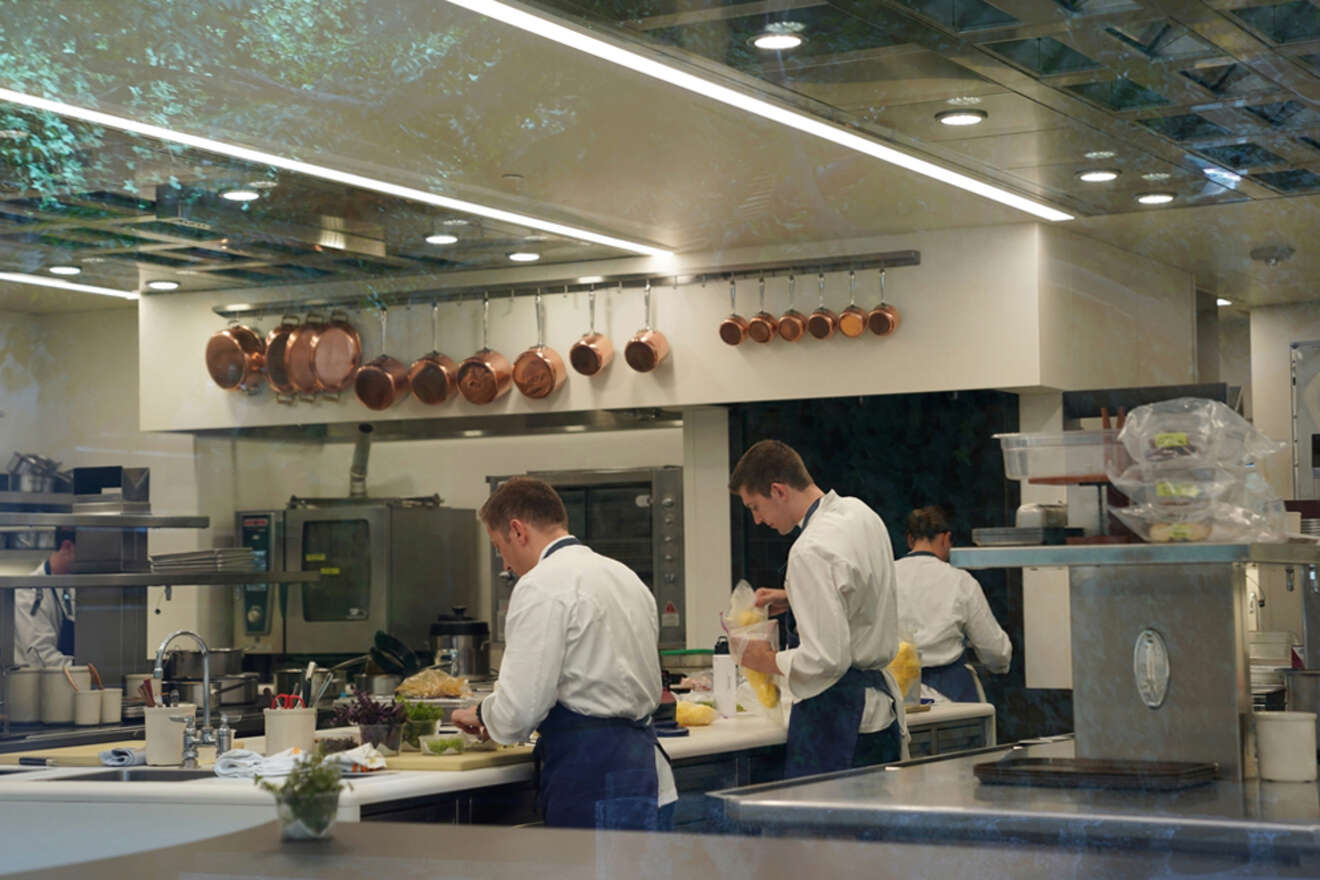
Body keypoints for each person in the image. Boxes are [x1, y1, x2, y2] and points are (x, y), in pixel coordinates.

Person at [451, 476, 677, 830]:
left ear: (517, 530)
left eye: (499, 547)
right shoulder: (625, 576)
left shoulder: (540, 586)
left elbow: (519, 709)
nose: (505, 565)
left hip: (591, 773)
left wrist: (485, 714)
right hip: (645, 768)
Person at [729, 439, 907, 779]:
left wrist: (762, 660)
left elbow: (826, 659)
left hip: (840, 718)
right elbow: (858, 591)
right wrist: (795, 596)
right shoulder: (859, 513)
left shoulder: (809, 549)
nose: (756, 520)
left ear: (778, 490)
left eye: (755, 507)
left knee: (824, 831)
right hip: (878, 718)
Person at [895, 506, 1011, 702]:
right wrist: (1000, 665)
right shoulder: (960, 581)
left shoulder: (884, 576)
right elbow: (995, 651)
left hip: (895, 692)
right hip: (951, 693)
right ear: (946, 538)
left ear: (909, 539)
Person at [13, 528, 77, 668]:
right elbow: (40, 655)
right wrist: (81, 669)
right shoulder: (29, 591)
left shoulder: (75, 587)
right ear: (67, 546)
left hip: (71, 679)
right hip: (36, 683)